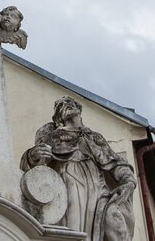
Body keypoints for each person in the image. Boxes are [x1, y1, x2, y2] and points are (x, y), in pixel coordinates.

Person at [22, 97, 138, 240]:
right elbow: (32, 166)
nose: (67, 105)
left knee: (114, 222)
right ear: (58, 118)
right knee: (75, 230)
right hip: (70, 183)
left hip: (99, 188)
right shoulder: (53, 135)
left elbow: (116, 163)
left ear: (79, 111)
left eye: (71, 103)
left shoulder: (94, 137)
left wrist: (129, 180)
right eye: (62, 106)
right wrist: (33, 155)